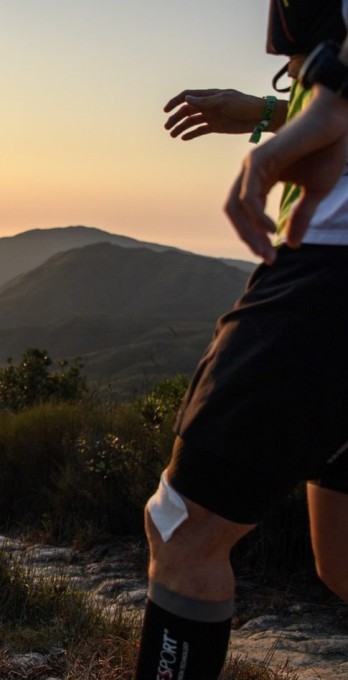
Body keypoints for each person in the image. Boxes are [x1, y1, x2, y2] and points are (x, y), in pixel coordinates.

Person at [136, 3, 348, 678]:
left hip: (328, 275)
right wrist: (265, 113)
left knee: (183, 530)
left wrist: (271, 147)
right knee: (341, 557)